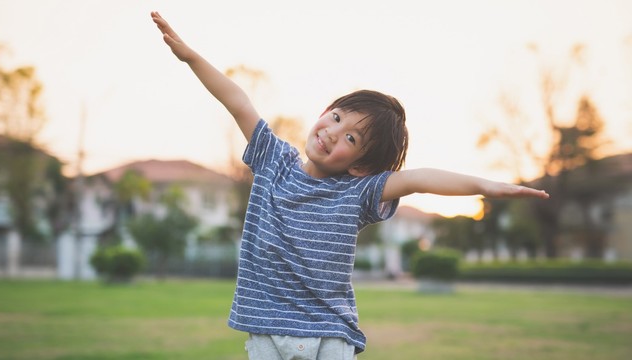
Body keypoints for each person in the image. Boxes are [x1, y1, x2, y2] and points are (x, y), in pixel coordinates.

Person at [151, 11, 549, 360]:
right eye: (337, 118)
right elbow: (238, 101)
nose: (333, 133)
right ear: (324, 112)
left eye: (352, 139)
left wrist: (487, 186)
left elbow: (420, 179)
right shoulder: (274, 161)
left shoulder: (357, 192)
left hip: (330, 336)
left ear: (362, 167)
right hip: (267, 330)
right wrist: (190, 57)